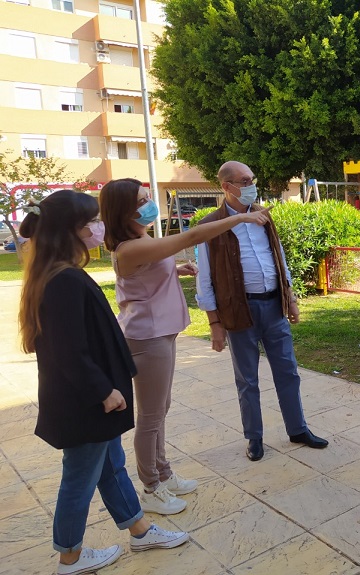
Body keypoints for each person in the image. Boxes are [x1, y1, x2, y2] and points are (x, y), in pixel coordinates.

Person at [17, 190, 188, 575]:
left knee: (111, 465)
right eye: (91, 223)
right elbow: (69, 351)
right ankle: (70, 556)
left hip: (87, 398)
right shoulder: (63, 282)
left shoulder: (61, 274)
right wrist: (104, 391)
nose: (99, 228)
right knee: (79, 476)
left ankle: (140, 530)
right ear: (71, 231)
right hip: (84, 401)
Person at [99, 178, 271, 514]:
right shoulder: (130, 247)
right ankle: (150, 487)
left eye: (149, 197)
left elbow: (145, 273)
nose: (150, 203)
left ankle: (163, 473)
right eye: (142, 199)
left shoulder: (140, 240)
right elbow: (191, 237)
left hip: (161, 333)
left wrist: (174, 270)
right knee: (150, 416)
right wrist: (239, 218)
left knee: (160, 409)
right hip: (146, 337)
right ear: (124, 209)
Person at [195, 161, 328, 462]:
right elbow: (205, 279)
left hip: (273, 306)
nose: (250, 185)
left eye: (252, 179)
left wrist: (290, 298)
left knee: (288, 372)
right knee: (247, 379)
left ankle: (298, 429)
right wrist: (214, 322)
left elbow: (278, 258)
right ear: (226, 187)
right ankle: (254, 438)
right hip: (238, 311)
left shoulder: (264, 217)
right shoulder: (209, 227)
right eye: (244, 180)